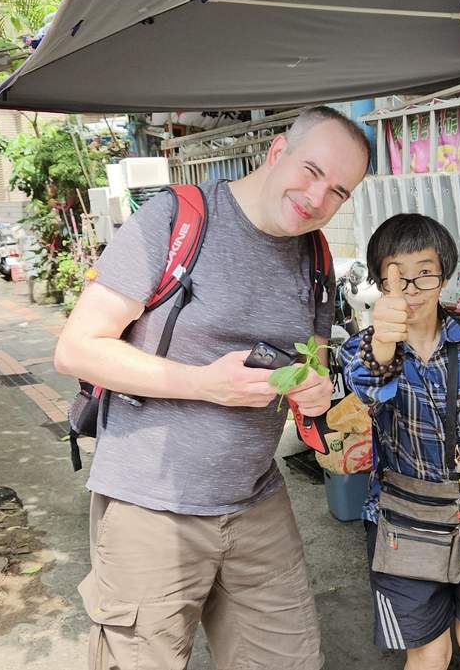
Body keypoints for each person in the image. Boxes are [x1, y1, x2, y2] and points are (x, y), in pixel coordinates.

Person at [53, 106, 369, 670]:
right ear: (277, 152)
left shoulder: (316, 254)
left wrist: (314, 394)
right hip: (152, 503)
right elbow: (77, 348)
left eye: (338, 191)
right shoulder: (175, 218)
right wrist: (203, 383)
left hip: (256, 500)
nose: (318, 197)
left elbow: (310, 361)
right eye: (311, 171)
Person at [341, 214, 460, 670]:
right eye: (397, 274)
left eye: (424, 271)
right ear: (381, 281)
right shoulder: (362, 350)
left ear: (443, 275)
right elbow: (369, 387)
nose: (411, 287)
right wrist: (384, 343)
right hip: (407, 520)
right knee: (430, 654)